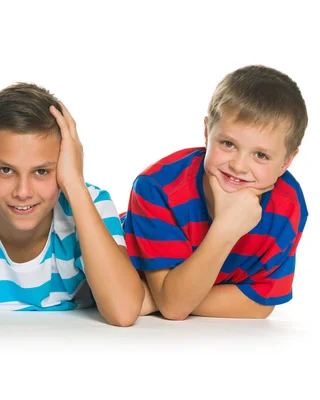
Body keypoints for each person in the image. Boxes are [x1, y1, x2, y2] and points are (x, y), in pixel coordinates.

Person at [0, 83, 143, 326]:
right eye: (5, 170)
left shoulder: (91, 203)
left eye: (42, 171)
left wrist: (74, 182)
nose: (23, 192)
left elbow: (123, 311)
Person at [122, 65, 308, 319]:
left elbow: (261, 304)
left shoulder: (288, 206)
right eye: (228, 144)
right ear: (208, 133)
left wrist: (159, 298)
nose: (239, 166)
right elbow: (174, 308)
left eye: (261, 155)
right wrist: (225, 229)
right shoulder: (157, 189)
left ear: (286, 161)